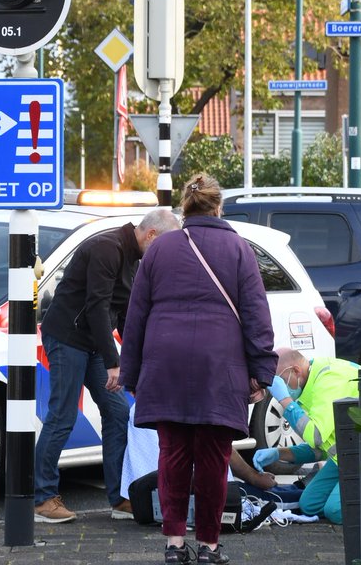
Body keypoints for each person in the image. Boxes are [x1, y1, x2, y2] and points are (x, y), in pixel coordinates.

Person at [119, 173, 277, 565]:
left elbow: (135, 315)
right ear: (218, 207)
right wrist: (261, 371)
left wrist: (132, 373)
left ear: (184, 208)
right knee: (213, 459)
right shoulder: (239, 249)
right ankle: (208, 545)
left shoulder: (159, 249)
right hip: (218, 367)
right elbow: (257, 314)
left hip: (166, 363)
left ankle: (174, 544)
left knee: (171, 455)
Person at [34, 208, 181, 524]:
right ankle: (43, 498)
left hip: (91, 343)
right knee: (63, 414)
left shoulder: (133, 258)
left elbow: (127, 313)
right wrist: (114, 363)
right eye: (165, 245)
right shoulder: (107, 247)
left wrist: (136, 361)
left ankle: (120, 497)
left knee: (117, 412)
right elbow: (97, 307)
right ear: (151, 234)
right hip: (68, 337)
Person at [251, 347, 359, 524]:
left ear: (295, 371)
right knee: (310, 505)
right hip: (344, 456)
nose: (277, 390)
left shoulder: (328, 381)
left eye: (280, 381)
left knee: (335, 510)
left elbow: (315, 436)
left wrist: (286, 402)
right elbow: (320, 448)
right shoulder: (308, 387)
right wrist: (278, 453)